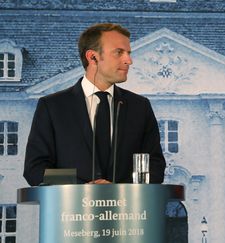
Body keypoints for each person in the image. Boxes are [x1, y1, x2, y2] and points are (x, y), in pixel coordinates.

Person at [24, 23, 166, 185]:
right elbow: (35, 169)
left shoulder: (140, 107)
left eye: (128, 53)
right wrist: (82, 187)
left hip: (127, 208)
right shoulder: (52, 107)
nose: (129, 60)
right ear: (92, 57)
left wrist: (117, 189)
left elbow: (155, 166)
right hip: (71, 209)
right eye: (119, 52)